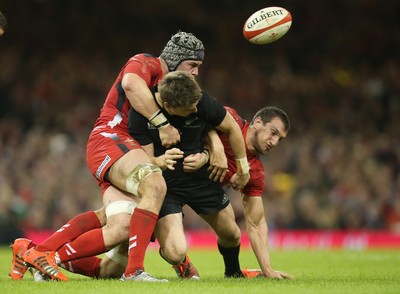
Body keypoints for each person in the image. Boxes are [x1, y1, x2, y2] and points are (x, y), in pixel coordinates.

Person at [18, 31, 209, 282]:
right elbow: (130, 84)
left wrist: (208, 151)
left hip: (127, 151)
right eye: (192, 65)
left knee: (119, 230)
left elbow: (209, 117)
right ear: (175, 58)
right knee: (154, 184)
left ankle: (38, 253)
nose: (195, 72)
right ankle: (135, 272)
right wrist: (163, 125)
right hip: (110, 137)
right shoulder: (146, 62)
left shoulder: (176, 90)